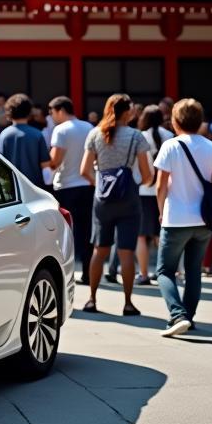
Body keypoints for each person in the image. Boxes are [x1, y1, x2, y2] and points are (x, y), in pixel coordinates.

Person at [152, 99, 212, 337]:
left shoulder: (170, 146)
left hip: (176, 218)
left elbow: (160, 185)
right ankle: (189, 318)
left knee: (165, 270)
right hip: (204, 219)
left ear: (175, 120)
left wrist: (161, 211)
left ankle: (177, 314)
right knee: (194, 270)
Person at [80, 93, 152, 316]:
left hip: (102, 200)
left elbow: (84, 170)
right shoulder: (136, 136)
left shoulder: (96, 134)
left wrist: (100, 184)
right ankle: (128, 303)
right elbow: (148, 175)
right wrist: (137, 182)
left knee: (99, 250)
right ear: (127, 111)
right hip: (128, 198)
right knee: (126, 252)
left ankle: (92, 299)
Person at [48, 96, 94, 286]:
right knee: (86, 231)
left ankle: (68, 274)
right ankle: (88, 272)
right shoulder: (89, 128)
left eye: (52, 112)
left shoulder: (60, 130)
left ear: (60, 110)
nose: (52, 117)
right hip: (87, 184)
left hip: (66, 186)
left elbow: (55, 162)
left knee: (66, 232)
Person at [135, 105, 173, 284]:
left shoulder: (141, 136)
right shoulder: (169, 136)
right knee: (161, 234)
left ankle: (143, 274)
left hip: (144, 190)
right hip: (165, 190)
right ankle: (163, 272)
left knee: (141, 235)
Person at [0, 94, 51, 189]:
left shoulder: (4, 135)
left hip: (13, 187)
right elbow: (45, 165)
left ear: (9, 111)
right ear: (29, 112)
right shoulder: (37, 134)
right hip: (35, 187)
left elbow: (0, 165)